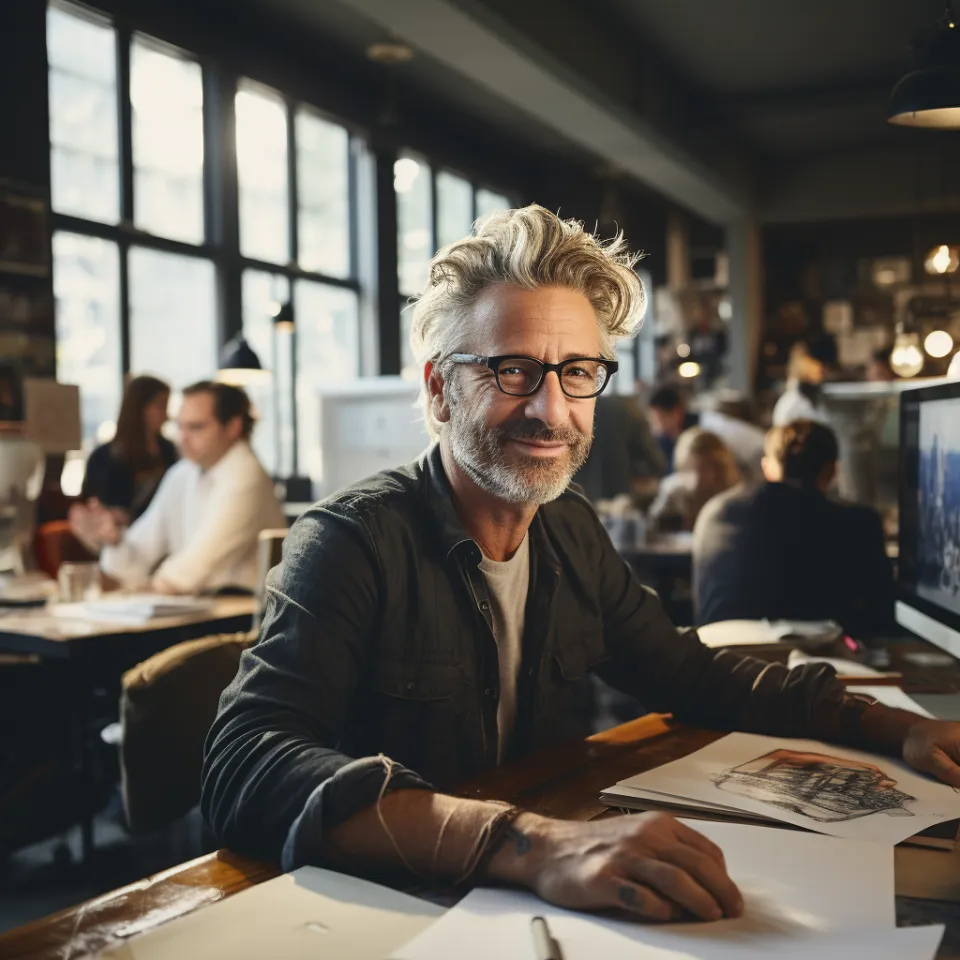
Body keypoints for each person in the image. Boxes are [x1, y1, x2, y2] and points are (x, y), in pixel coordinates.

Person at [202, 206, 960, 926]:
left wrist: (894, 728)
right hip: (380, 915)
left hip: (520, 906)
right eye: (512, 371)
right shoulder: (351, 541)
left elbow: (692, 674)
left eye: (576, 372)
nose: (552, 409)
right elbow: (244, 768)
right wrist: (531, 843)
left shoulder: (567, 531)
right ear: (439, 389)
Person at [70, 381, 285, 594]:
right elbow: (138, 556)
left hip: (246, 615)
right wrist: (115, 540)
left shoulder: (246, 473)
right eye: (179, 426)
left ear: (232, 427)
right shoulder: (183, 472)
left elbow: (197, 567)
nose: (182, 438)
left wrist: (141, 588)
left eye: (196, 427)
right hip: (203, 611)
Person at [693, 419, 896, 639]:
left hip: (720, 655)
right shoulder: (860, 522)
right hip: (819, 662)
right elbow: (882, 615)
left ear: (767, 468)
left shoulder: (715, 511)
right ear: (832, 470)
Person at [76, 375, 178, 524]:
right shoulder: (104, 456)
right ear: (139, 408)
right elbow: (93, 503)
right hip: (117, 532)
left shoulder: (168, 450)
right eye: (160, 406)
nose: (166, 416)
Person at [573, 392, 666, 502]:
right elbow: (655, 462)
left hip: (580, 498)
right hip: (622, 500)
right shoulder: (631, 411)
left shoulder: (578, 412)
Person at [648, 429, 740, 535]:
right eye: (689, 469)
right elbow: (653, 528)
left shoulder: (734, 494)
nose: (696, 479)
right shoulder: (673, 490)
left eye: (704, 468)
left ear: (719, 467)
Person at [771, 336, 836, 427]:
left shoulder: (820, 400)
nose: (825, 369)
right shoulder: (791, 406)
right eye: (819, 363)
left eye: (827, 365)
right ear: (803, 362)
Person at [647, 385, 697, 469]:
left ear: (677, 414)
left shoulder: (704, 431)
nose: (654, 425)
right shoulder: (662, 441)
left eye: (658, 419)